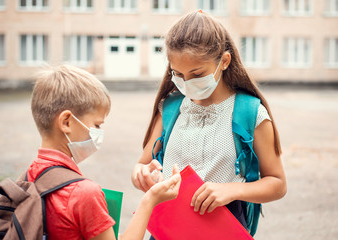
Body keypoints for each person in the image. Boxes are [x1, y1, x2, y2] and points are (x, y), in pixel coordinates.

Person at [131, 10, 287, 236]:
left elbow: (278, 183)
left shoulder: (250, 113)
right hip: (168, 228)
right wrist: (141, 174)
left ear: (224, 61)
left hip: (222, 229)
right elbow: (141, 165)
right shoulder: (170, 108)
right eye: (178, 74)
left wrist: (231, 190)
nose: (186, 83)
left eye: (197, 74)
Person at [28, 64, 181, 240]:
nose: (99, 132)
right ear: (67, 122)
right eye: (97, 125)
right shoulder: (83, 193)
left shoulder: (30, 177)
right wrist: (150, 200)